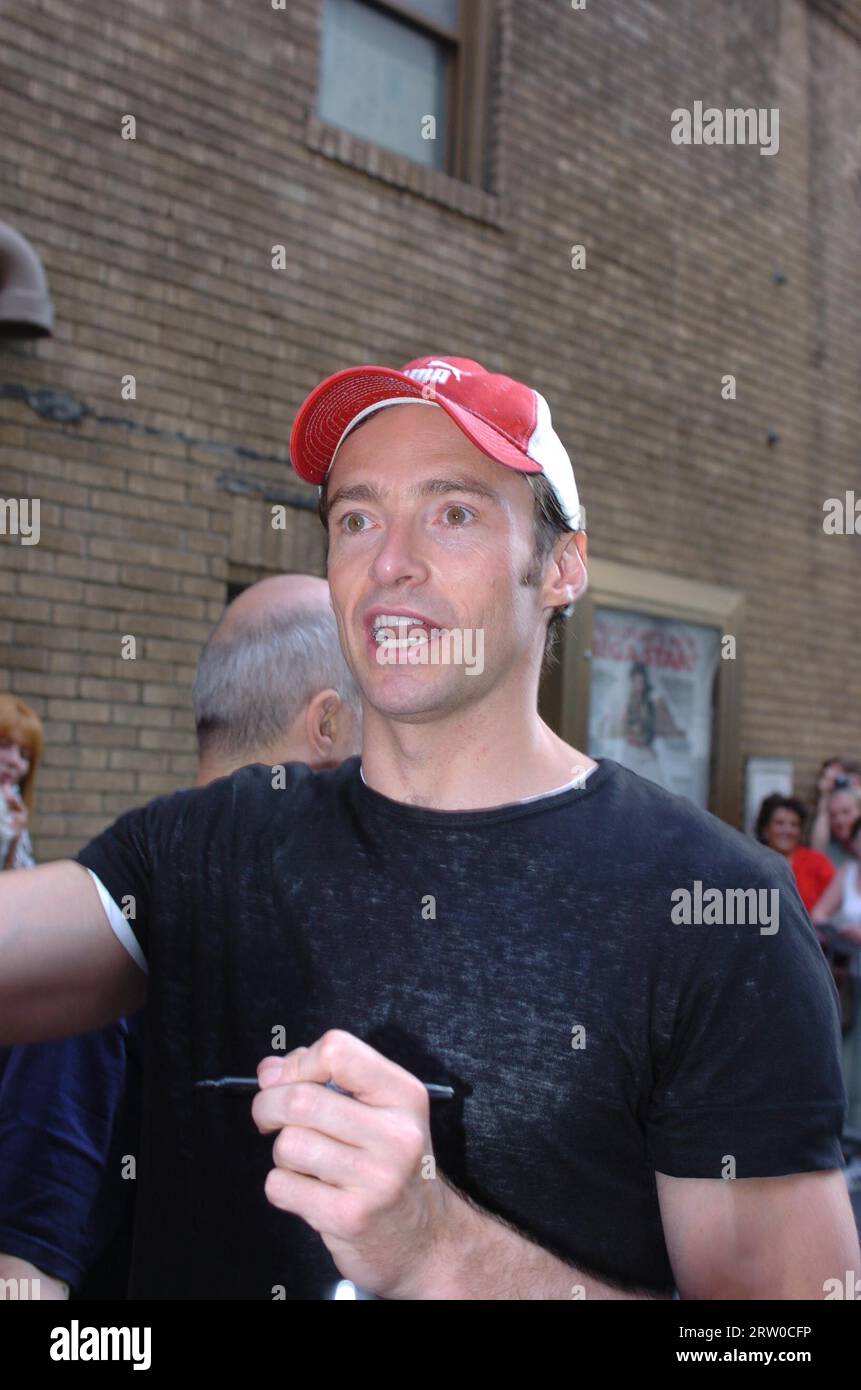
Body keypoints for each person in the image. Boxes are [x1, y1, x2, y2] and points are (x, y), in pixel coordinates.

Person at [0, 354, 858, 1300]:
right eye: (357, 518)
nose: (390, 561)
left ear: (561, 566)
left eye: (453, 512)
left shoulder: (712, 906)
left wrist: (442, 1251)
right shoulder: (211, 846)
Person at [0, 576, 360, 1300]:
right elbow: (23, 1272)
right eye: (380, 721)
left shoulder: (274, 924)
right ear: (327, 726)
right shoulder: (111, 943)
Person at [755, 793, 835, 914]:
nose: (787, 830)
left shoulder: (817, 862)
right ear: (765, 829)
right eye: (779, 823)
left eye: (794, 825)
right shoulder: (753, 862)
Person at [811, 758, 861, 868]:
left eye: (846, 812)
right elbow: (817, 853)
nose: (840, 820)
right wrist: (824, 795)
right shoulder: (832, 852)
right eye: (832, 815)